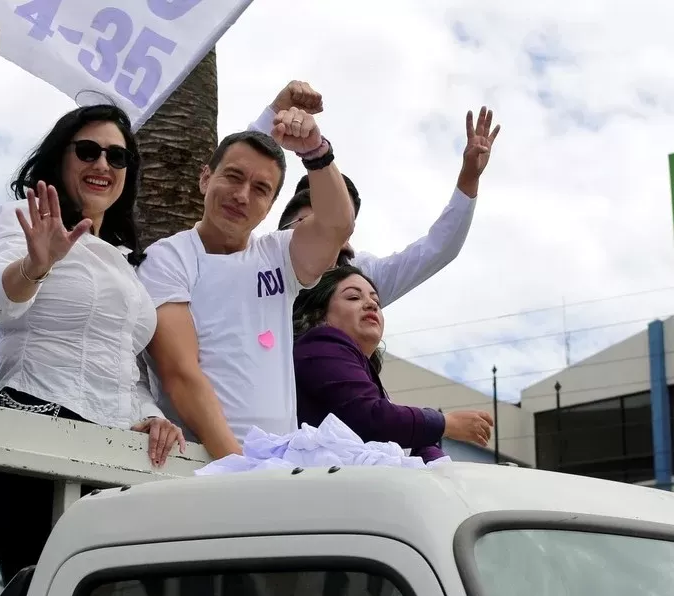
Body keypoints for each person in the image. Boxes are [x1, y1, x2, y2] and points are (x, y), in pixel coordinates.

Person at [0, 103, 185, 583]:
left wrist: (151, 415)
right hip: (33, 438)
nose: (103, 165)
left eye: (117, 156)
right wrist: (35, 264)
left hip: (111, 455)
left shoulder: (124, 260)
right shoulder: (24, 218)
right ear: (59, 157)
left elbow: (120, 364)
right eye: (88, 151)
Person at [139, 102, 356, 459]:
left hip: (281, 463)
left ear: (270, 205)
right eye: (234, 177)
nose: (242, 196)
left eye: (260, 189)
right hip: (202, 462)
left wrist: (316, 152)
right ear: (205, 178)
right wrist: (237, 466)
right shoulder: (167, 258)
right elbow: (179, 372)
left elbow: (337, 226)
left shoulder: (279, 255)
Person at [254, 82, 500, 308]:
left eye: (340, 224)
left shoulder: (363, 276)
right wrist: (274, 112)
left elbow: (437, 249)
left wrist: (469, 180)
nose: (325, 232)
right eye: (309, 223)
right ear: (282, 231)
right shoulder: (258, 261)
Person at [292, 265, 494, 462]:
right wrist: (446, 424)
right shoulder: (321, 342)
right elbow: (372, 418)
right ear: (318, 314)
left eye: (376, 301)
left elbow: (395, 436)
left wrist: (438, 463)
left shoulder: (359, 371)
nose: (371, 305)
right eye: (353, 297)